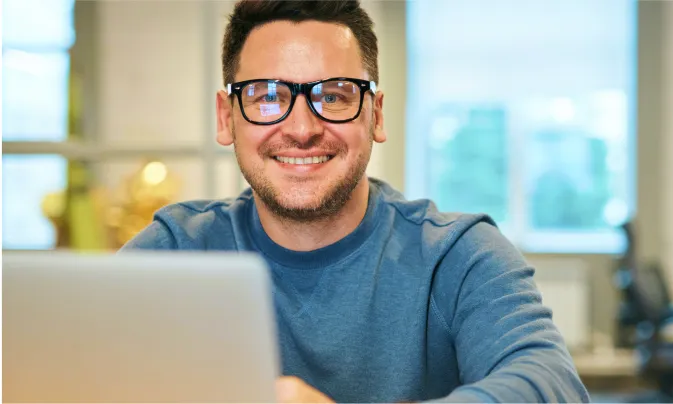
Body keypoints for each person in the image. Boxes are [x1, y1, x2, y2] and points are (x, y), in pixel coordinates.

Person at [120, 1, 589, 402]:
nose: (301, 129)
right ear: (227, 119)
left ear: (376, 115)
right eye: (267, 97)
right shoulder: (176, 251)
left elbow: (549, 385)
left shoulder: (456, 256)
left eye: (334, 96)